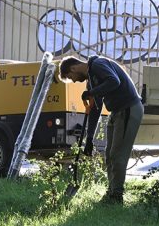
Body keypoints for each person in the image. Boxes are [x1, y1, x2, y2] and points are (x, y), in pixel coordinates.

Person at [59, 55, 144, 205]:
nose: (73, 80)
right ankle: (111, 192)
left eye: (70, 77)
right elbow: (94, 110)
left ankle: (116, 197)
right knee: (109, 155)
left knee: (118, 155)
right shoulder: (90, 81)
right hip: (116, 112)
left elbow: (114, 81)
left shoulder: (98, 64)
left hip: (129, 108)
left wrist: (92, 92)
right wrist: (89, 138)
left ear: (73, 68)